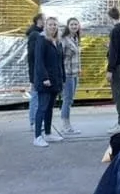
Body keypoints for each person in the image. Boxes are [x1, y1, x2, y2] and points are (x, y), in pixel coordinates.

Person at [33, 17, 65, 147]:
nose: (53, 27)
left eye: (55, 25)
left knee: (49, 108)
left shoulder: (57, 42)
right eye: (50, 25)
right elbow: (39, 61)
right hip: (45, 81)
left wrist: (62, 78)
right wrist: (44, 78)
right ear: (46, 26)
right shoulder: (41, 40)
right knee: (42, 108)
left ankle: (48, 133)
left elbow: (60, 62)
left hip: (55, 80)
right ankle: (37, 137)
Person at [59, 17, 82, 136]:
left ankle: (67, 124)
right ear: (68, 26)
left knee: (70, 99)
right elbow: (60, 57)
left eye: (76, 24)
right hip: (67, 74)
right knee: (67, 100)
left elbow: (77, 56)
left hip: (75, 73)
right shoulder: (64, 40)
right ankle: (65, 126)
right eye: (72, 24)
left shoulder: (76, 38)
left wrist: (79, 69)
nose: (74, 26)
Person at [25, 13, 45, 131]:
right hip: (36, 72)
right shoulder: (35, 35)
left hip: (37, 71)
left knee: (37, 96)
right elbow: (33, 56)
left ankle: (36, 121)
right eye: (44, 19)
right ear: (38, 21)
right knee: (36, 96)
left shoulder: (38, 34)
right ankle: (33, 121)